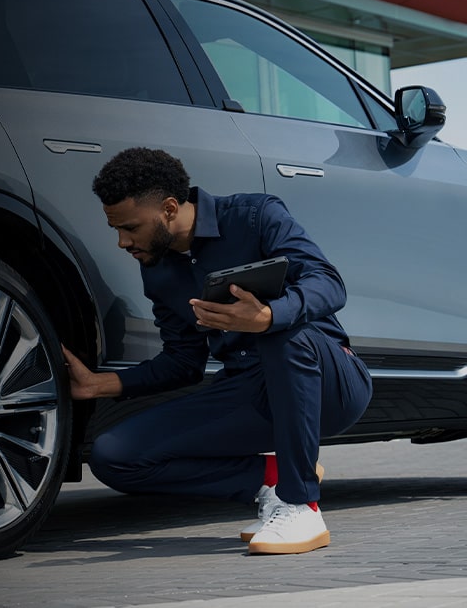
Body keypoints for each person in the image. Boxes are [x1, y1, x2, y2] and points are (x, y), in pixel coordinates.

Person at [63, 147, 372, 555]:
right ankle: (271, 479)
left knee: (282, 331)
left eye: (131, 228)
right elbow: (183, 362)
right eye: (115, 229)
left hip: (329, 383)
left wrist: (267, 316)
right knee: (114, 455)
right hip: (249, 391)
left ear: (170, 208)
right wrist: (104, 384)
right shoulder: (157, 268)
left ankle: (302, 505)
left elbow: (328, 283)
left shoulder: (256, 216)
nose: (123, 242)